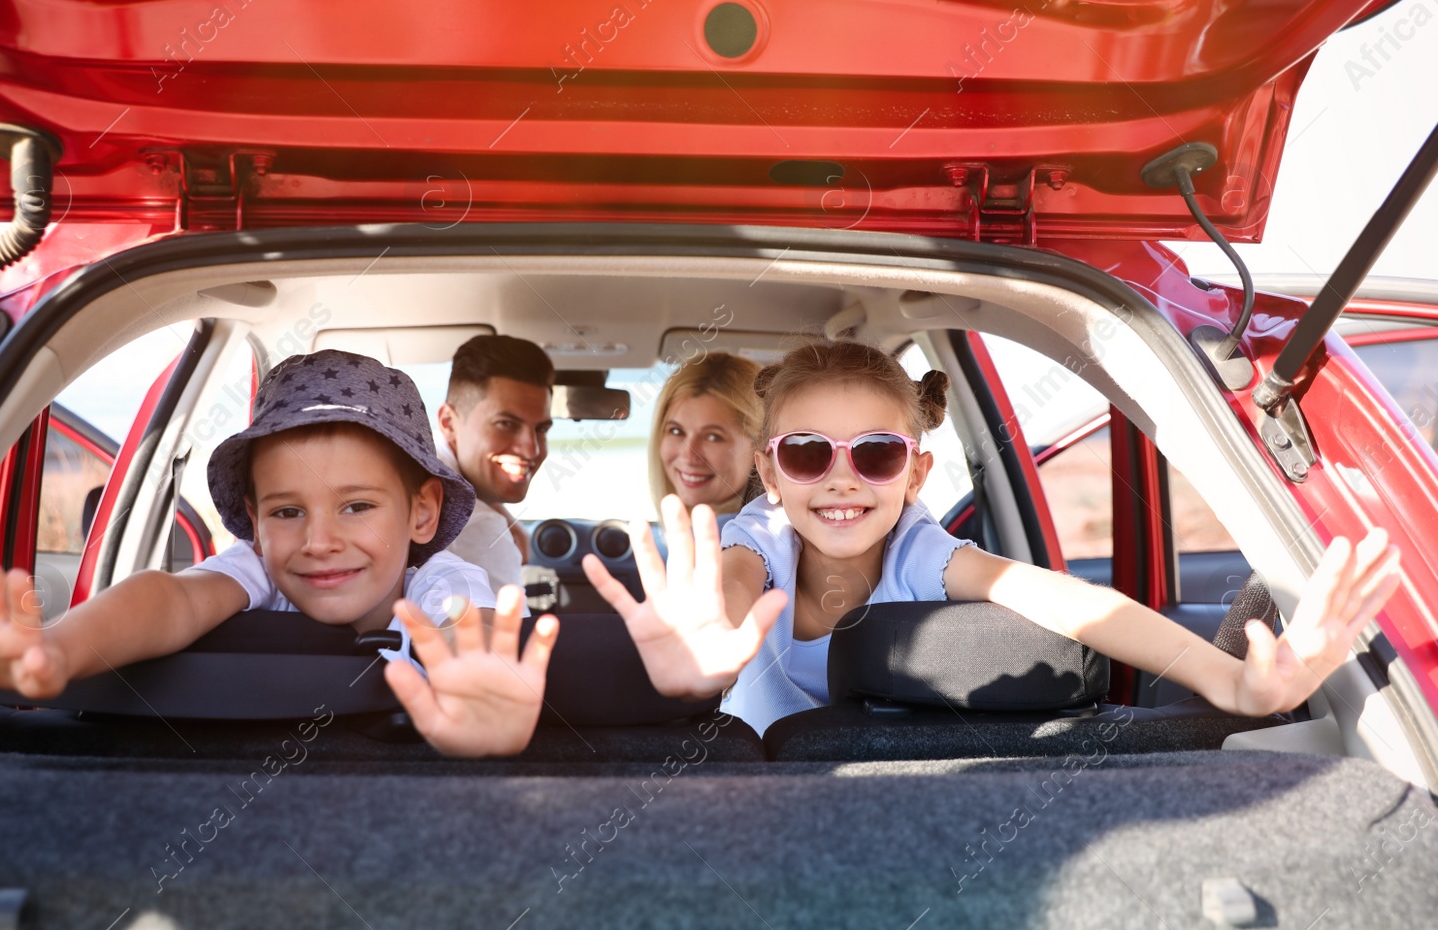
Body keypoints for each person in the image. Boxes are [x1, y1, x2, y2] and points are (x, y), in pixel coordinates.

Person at [584, 340, 1403, 735]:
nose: (839, 480)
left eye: (874, 454)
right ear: (770, 474)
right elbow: (729, 581)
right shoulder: (760, 534)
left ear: (914, 474)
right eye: (806, 454)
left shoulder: (920, 548)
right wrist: (704, 648)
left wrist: (1237, 686)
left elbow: (1078, 602)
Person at [0, 350, 560, 758]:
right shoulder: (264, 570)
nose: (318, 541)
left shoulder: (444, 577)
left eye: (356, 505)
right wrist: (58, 649)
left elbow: (463, 628)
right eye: (286, 511)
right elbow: (173, 597)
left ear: (421, 513)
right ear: (255, 523)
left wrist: (472, 692)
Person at [435, 335, 556, 593]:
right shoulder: (483, 531)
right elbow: (509, 633)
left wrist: (497, 509)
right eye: (506, 424)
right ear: (448, 422)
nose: (531, 449)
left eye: (541, 429)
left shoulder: (420, 468)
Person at [649, 351, 763, 517]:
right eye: (676, 431)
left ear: (760, 444)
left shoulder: (731, 538)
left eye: (713, 437)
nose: (688, 455)